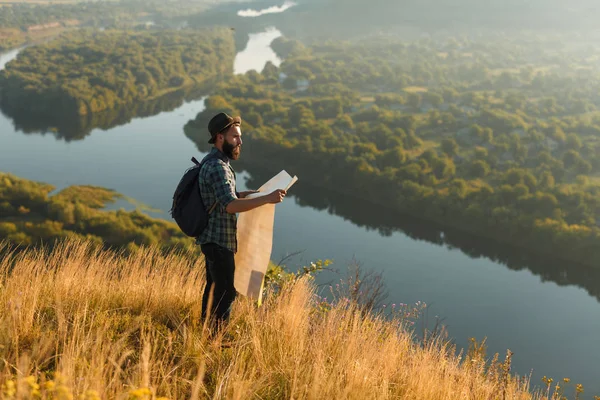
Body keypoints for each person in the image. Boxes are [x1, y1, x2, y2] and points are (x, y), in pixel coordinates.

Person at [197, 112, 286, 331]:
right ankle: (215, 338)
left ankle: (206, 332)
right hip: (218, 241)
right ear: (220, 137)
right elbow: (229, 205)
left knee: (215, 287)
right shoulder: (218, 167)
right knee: (227, 291)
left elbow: (225, 197)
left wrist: (247, 195)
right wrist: (267, 199)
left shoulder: (214, 161)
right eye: (235, 136)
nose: (240, 141)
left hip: (212, 238)